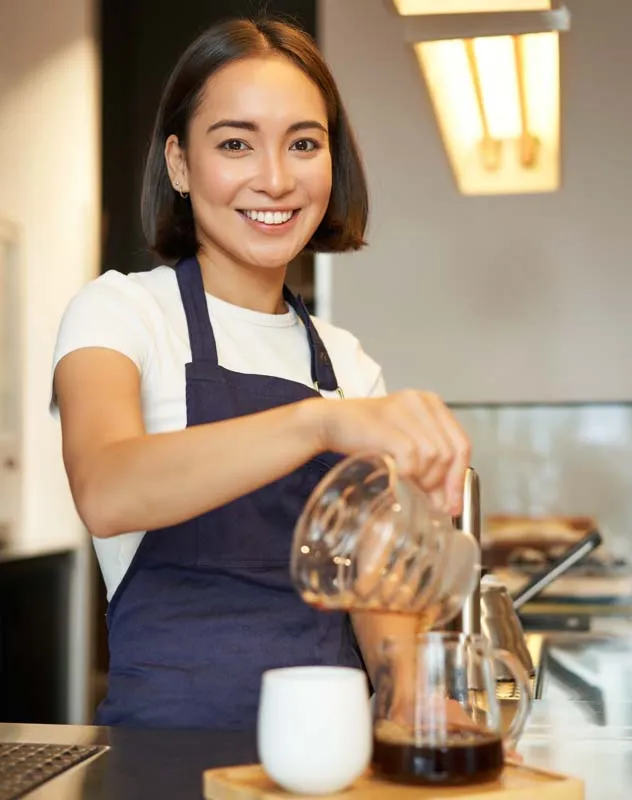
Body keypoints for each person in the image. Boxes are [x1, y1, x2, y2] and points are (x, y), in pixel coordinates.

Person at [51, 16, 471, 730]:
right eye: (236, 143)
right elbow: (107, 487)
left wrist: (415, 703)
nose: (275, 179)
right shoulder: (122, 312)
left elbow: (372, 594)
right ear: (180, 165)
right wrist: (319, 421)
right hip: (163, 763)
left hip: (327, 763)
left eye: (303, 144)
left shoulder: (345, 361)